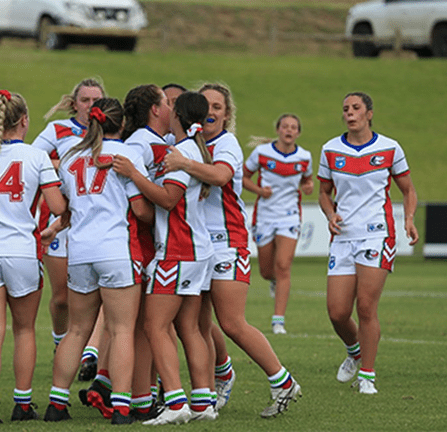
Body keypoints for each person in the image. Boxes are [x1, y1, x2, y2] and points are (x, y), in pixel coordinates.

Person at [163, 83, 302, 417]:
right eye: (206, 105)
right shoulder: (185, 143)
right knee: (194, 323)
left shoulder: (225, 144)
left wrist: (182, 164)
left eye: (218, 107)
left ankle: (282, 381)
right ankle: (218, 377)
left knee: (232, 322)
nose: (211, 112)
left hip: (228, 242)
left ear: (227, 115)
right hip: (195, 244)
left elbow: (221, 177)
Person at [42, 98, 153, 425]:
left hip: (79, 252)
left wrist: (53, 226)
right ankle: (120, 408)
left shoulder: (71, 155)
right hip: (116, 249)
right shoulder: (128, 154)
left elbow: (64, 207)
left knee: (76, 330)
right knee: (121, 331)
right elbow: (142, 210)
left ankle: (56, 403)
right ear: (121, 124)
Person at [0, 90, 67, 423]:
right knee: (25, 330)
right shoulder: (37, 158)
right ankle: (22, 404)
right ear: (24, 121)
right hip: (22, 251)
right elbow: (59, 207)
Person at [114, 91, 216, 425]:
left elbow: (170, 199)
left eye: (173, 106)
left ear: (178, 116)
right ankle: (203, 402)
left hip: (176, 250)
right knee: (188, 327)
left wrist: (134, 174)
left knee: (154, 325)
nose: (168, 109)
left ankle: (174, 402)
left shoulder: (181, 152)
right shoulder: (193, 150)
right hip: (196, 249)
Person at [317, 91, 419, 394]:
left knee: (365, 306)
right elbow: (323, 192)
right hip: (343, 237)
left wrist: (409, 218)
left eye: (356, 108)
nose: (349, 112)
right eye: (345, 108)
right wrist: (330, 213)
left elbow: (408, 190)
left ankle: (367, 376)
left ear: (369, 113)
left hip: (377, 233)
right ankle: (355, 352)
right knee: (336, 312)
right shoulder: (331, 149)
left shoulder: (390, 148)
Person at [33, 78, 107, 382]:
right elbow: (30, 160)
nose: (90, 105)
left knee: (103, 293)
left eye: (96, 100)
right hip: (60, 218)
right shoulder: (57, 131)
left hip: (98, 221)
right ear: (73, 103)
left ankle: (90, 351)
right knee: (62, 297)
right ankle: (60, 341)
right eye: (85, 99)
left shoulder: (112, 132)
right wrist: (63, 163)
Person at [243, 114, 314, 334]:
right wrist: (258, 191)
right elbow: (242, 177)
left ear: (298, 133)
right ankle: (272, 281)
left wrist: (308, 185)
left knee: (284, 265)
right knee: (266, 270)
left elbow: (307, 179)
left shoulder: (304, 157)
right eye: (285, 126)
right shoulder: (262, 153)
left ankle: (278, 321)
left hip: (289, 215)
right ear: (278, 129)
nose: (289, 130)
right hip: (265, 215)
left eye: (293, 127)